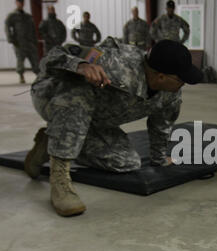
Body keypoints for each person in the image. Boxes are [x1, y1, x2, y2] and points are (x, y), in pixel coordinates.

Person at [25, 39, 203, 217]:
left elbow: (161, 125)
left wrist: (159, 159)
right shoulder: (115, 62)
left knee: (125, 161)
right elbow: (51, 57)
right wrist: (81, 65)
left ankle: (51, 139)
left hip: (93, 117)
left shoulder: (170, 94)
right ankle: (60, 178)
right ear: (161, 76)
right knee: (79, 91)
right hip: (50, 94)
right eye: (180, 79)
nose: (183, 84)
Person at [4, 0, 40, 83]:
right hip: (19, 42)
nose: (21, 4)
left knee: (35, 59)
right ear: (16, 3)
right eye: (19, 2)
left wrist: (35, 41)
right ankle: (21, 76)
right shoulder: (12, 16)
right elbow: (7, 27)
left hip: (30, 42)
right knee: (20, 60)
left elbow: (33, 29)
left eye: (22, 2)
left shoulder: (28, 16)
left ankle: (38, 76)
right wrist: (11, 39)